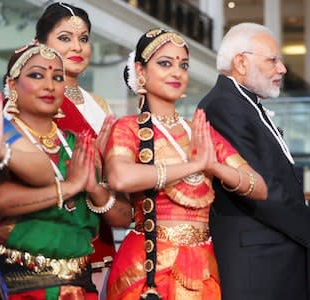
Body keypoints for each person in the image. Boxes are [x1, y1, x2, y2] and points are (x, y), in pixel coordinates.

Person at [105, 28, 268, 299]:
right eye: (165, 63)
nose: (177, 72)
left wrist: (214, 167)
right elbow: (120, 177)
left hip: (202, 264)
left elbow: (259, 187)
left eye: (183, 65)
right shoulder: (129, 127)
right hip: (148, 266)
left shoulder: (200, 131)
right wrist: (194, 166)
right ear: (141, 71)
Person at [197, 22, 310, 300]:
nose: (282, 68)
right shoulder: (224, 105)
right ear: (241, 62)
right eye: (273, 60)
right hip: (255, 268)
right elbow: (261, 191)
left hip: (269, 260)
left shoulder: (241, 102)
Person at [0, 43, 130, 299]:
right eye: (37, 75)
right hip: (20, 286)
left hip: (81, 286)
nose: (50, 85)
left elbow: (122, 218)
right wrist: (69, 187)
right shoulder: (7, 139)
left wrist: (94, 189)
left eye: (57, 77)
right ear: (13, 86)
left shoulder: (77, 145)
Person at [33, 2, 117, 294]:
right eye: (65, 38)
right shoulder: (30, 102)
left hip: (100, 235)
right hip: (49, 241)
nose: (77, 47)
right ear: (39, 45)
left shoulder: (100, 105)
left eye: (83, 38)